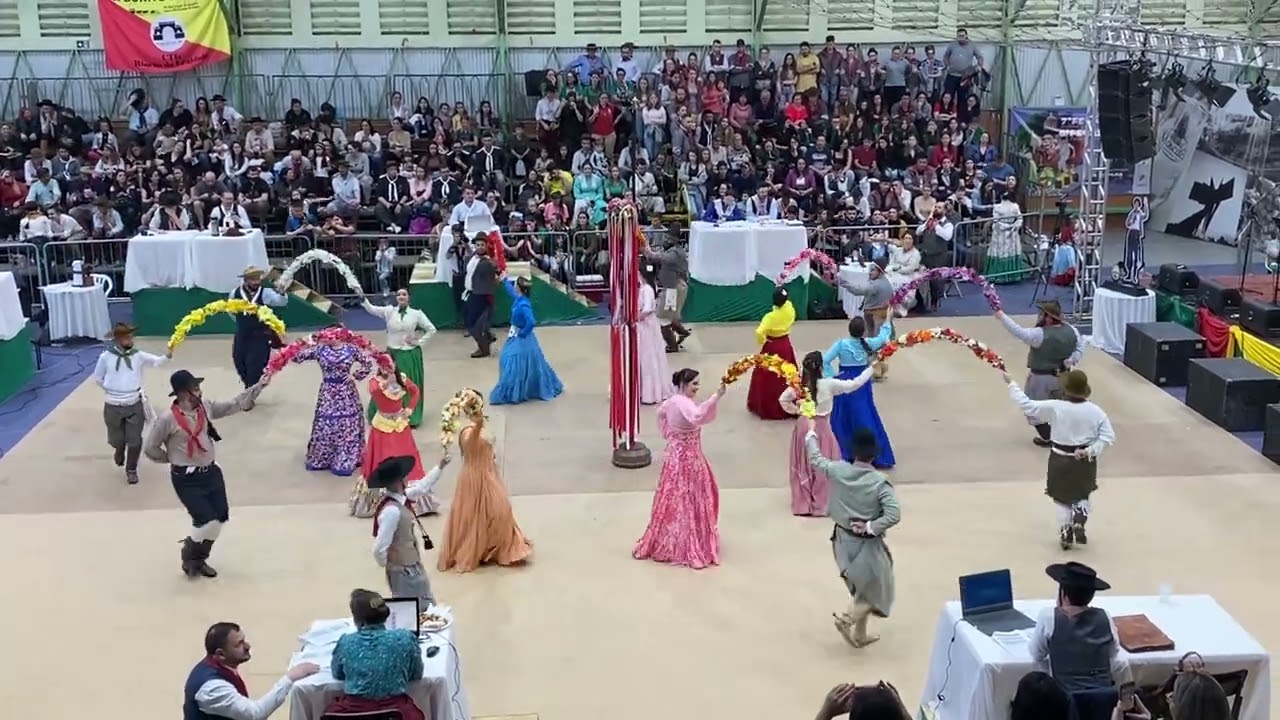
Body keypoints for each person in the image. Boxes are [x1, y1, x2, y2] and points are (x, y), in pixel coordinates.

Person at [142, 370, 265, 579]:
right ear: (183, 393)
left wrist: (258, 386)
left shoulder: (205, 407)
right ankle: (188, 554)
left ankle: (200, 560)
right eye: (195, 388)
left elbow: (234, 404)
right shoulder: (167, 419)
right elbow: (150, 447)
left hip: (211, 472)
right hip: (186, 479)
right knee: (205, 519)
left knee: (220, 518)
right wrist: (172, 459)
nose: (200, 391)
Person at [804, 422, 900, 648]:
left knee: (862, 587)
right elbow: (894, 514)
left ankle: (860, 634)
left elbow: (816, 460)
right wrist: (870, 527)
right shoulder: (879, 483)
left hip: (840, 541)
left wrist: (810, 437)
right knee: (877, 591)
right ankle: (847, 620)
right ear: (875, 454)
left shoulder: (838, 470)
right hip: (866, 545)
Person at [1004, 368, 1114, 549]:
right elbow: (1108, 437)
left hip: (1059, 458)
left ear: (1065, 389)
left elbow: (1028, 406)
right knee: (1082, 493)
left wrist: (1012, 384)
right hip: (1084, 461)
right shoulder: (1096, 412)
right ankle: (1079, 516)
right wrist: (1090, 451)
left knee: (1061, 498)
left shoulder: (1056, 407)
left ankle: (1065, 530)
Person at [633, 368, 726, 569]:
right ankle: (689, 542)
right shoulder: (684, 404)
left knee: (673, 497)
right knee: (690, 499)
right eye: (694, 384)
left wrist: (669, 434)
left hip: (674, 457)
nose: (697, 388)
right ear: (684, 384)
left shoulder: (671, 402)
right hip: (688, 459)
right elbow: (698, 416)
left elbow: (661, 415)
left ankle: (669, 536)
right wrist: (716, 396)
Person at [780, 352, 874, 516]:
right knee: (824, 463)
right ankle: (821, 504)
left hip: (804, 425)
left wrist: (797, 411)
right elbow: (854, 384)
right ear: (821, 367)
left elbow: (783, 399)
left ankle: (803, 503)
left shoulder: (799, 386)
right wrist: (871, 368)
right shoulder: (829, 384)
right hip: (822, 427)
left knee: (804, 462)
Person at [438, 413, 534, 572]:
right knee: (477, 515)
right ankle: (481, 550)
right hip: (475, 478)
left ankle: (496, 547)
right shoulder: (467, 432)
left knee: (500, 510)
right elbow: (471, 442)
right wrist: (478, 424)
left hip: (488, 473)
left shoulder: (480, 426)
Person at [182, 621, 320, 720]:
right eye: (239, 644)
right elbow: (255, 714)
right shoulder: (213, 689)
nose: (247, 646)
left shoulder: (217, 667)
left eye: (244, 640)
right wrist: (290, 677)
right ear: (221, 654)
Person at [323, 589, 426, 720]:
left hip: (352, 713)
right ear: (386, 614)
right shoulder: (405, 638)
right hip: (395, 712)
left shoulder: (346, 642)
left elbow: (338, 673)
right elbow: (416, 674)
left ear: (357, 618)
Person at [1030, 562, 1132, 691]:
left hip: (1063, 700)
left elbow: (1036, 654)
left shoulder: (1048, 617)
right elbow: (1113, 652)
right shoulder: (1104, 617)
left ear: (1064, 594)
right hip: (1102, 699)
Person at [995, 300, 1085, 447]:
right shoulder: (1072, 330)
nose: (1040, 316)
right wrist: (1073, 359)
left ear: (1049, 317)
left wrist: (1002, 316)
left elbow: (1019, 332)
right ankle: (1067, 436)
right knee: (1062, 409)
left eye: (1042, 314)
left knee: (1033, 410)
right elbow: (1081, 345)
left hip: (1040, 379)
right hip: (1064, 377)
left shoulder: (1039, 334)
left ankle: (1050, 437)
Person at [356, 366, 439, 516]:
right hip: (382, 428)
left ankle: (413, 497)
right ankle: (381, 500)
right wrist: (388, 383)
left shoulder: (402, 378)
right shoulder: (375, 382)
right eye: (384, 366)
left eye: (391, 366)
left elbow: (415, 391)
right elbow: (374, 392)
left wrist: (410, 408)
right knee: (384, 460)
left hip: (400, 426)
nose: (388, 369)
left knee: (408, 459)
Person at [92, 322, 169, 484]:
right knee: (116, 439)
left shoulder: (138, 355)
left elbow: (156, 361)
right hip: (112, 405)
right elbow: (97, 378)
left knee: (134, 441)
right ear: (118, 339)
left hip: (134, 403)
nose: (131, 339)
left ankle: (131, 469)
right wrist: (110, 389)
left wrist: (168, 355)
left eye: (131, 336)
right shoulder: (105, 357)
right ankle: (119, 449)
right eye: (127, 337)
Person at [368, 455, 449, 607]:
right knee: (412, 609)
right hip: (403, 571)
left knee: (423, 604)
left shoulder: (400, 498)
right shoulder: (391, 511)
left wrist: (440, 467)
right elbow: (379, 549)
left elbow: (421, 488)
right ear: (400, 481)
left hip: (412, 566)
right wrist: (393, 564)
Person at [291, 329, 373, 476]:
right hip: (328, 392)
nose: (328, 337)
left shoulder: (351, 349)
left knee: (347, 425)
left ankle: (345, 457)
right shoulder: (319, 349)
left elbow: (367, 363)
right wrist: (302, 342)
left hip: (346, 392)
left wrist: (355, 376)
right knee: (326, 425)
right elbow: (296, 357)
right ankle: (323, 458)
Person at [823, 316, 895, 466]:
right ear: (863, 332)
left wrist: (832, 376)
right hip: (862, 381)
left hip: (844, 382)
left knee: (843, 416)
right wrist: (887, 320)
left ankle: (843, 451)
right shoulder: (867, 344)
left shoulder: (841, 345)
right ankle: (870, 452)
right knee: (864, 414)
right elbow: (883, 337)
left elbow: (825, 360)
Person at [361, 287, 437, 427]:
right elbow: (371, 309)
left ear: (409, 297)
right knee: (385, 383)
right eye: (399, 294)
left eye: (404, 294)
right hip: (392, 354)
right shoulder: (389, 311)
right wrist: (362, 298)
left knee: (406, 383)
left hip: (408, 353)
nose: (401, 297)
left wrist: (418, 342)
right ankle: (383, 412)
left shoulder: (416, 314)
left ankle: (409, 415)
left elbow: (431, 329)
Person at [490, 275, 564, 404]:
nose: (514, 287)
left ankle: (513, 390)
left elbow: (531, 321)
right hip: (515, 336)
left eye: (516, 285)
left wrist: (522, 333)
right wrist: (505, 280)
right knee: (509, 360)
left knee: (511, 360)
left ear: (521, 289)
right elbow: (511, 292)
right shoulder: (519, 299)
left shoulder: (524, 305)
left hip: (521, 337)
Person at [229, 266, 288, 405]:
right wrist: (242, 323)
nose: (256, 281)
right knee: (239, 362)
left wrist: (281, 290)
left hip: (260, 335)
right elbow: (231, 312)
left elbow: (282, 302)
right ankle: (250, 387)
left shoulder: (265, 293)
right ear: (246, 280)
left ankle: (249, 395)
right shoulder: (234, 293)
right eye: (253, 279)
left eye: (258, 278)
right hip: (242, 334)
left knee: (255, 365)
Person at [746, 287, 798, 420]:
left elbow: (759, 331)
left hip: (773, 346)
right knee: (787, 374)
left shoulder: (770, 317)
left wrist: (763, 340)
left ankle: (769, 406)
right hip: (785, 344)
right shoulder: (789, 308)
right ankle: (789, 402)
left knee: (768, 376)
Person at [840, 257, 894, 380]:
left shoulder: (877, 285)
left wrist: (842, 282)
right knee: (876, 343)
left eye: (873, 270)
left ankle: (876, 371)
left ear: (879, 272)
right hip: (877, 313)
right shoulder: (884, 281)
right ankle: (878, 369)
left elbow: (857, 290)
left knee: (875, 344)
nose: (870, 272)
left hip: (876, 316)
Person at [637, 261, 674, 404]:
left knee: (648, 357)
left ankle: (650, 391)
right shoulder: (649, 287)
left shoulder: (646, 289)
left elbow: (647, 309)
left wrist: (635, 317)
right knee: (650, 356)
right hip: (648, 325)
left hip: (645, 326)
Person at [646, 235, 691, 352]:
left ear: (673, 241)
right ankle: (683, 332)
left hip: (673, 289)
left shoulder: (674, 253)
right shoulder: (673, 250)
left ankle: (672, 346)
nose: (665, 241)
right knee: (669, 315)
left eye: (667, 239)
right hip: (674, 287)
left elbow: (659, 257)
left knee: (662, 318)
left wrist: (646, 250)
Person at [464, 239, 498, 358]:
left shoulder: (488, 261)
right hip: (472, 293)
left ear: (486, 246)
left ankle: (484, 347)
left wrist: (493, 265)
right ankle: (486, 338)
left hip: (482, 295)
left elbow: (496, 268)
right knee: (471, 322)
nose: (480, 247)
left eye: (482, 245)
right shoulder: (473, 257)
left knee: (476, 325)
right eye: (477, 245)